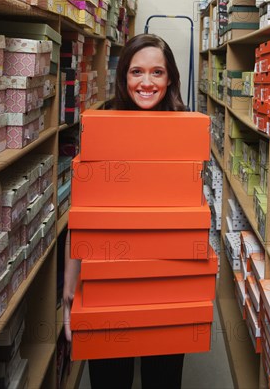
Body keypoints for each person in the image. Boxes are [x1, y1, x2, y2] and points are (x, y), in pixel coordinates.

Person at [63, 33, 187, 389]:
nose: (146, 83)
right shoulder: (102, 121)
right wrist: (70, 285)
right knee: (110, 377)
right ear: (124, 77)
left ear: (170, 78)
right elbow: (82, 208)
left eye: (157, 73)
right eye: (136, 72)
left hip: (167, 280)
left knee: (163, 378)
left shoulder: (186, 127)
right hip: (107, 278)